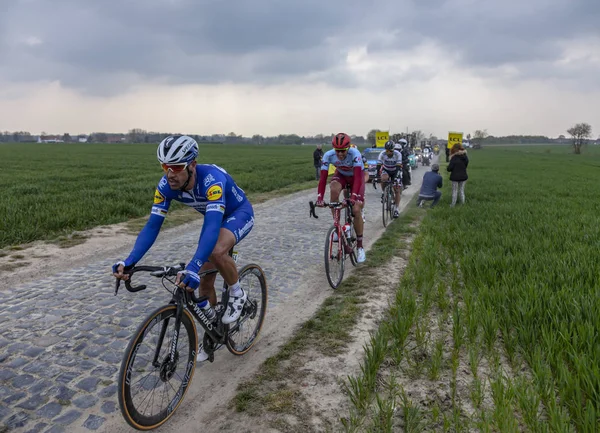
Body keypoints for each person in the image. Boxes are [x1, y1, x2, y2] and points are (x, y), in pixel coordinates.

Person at [112, 135, 254, 362]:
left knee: (216, 251)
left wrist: (193, 266)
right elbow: (152, 226)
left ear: (192, 165)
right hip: (214, 220)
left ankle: (238, 293)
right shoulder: (166, 186)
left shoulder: (212, 180)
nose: (170, 173)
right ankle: (213, 332)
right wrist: (130, 261)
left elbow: (211, 226)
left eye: (176, 167)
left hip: (238, 214)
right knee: (205, 283)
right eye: (165, 167)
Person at [316, 133, 366, 263]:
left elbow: (358, 178)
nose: (340, 154)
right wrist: (320, 197)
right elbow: (322, 178)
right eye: (337, 151)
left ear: (348, 148)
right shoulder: (328, 155)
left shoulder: (355, 154)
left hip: (356, 177)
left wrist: (354, 196)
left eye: (343, 151)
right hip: (342, 175)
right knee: (333, 188)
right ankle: (337, 226)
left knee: (355, 209)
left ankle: (360, 247)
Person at [376, 140, 403, 218]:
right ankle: (384, 192)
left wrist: (395, 178)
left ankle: (396, 209)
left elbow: (398, 167)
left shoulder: (398, 154)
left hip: (396, 170)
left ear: (393, 149)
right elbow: (378, 166)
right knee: (383, 178)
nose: (389, 153)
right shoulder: (382, 154)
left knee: (397, 189)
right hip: (386, 169)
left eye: (390, 151)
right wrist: (378, 175)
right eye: (387, 151)